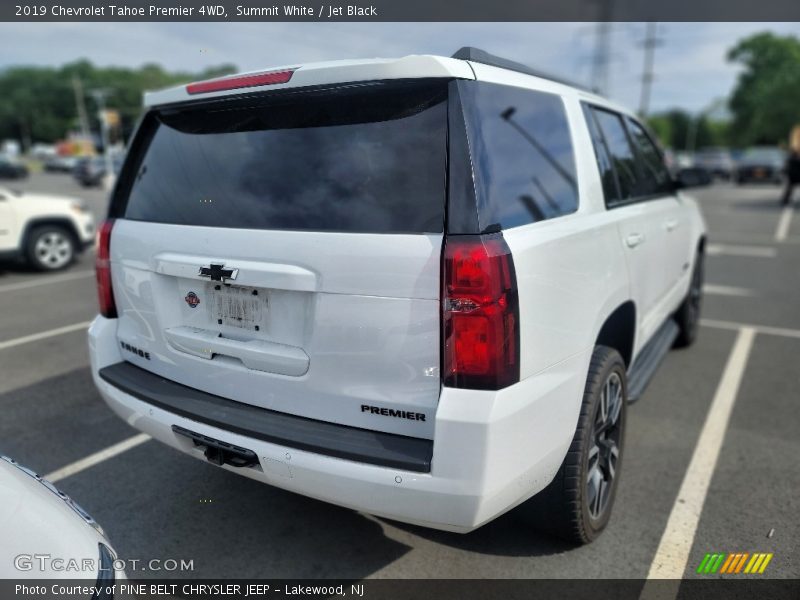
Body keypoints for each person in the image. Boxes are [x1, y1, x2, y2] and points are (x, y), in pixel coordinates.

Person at [782, 125, 800, 206]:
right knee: (790, 184)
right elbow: (794, 146)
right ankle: (786, 198)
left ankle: (786, 198)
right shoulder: (797, 130)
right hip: (796, 164)